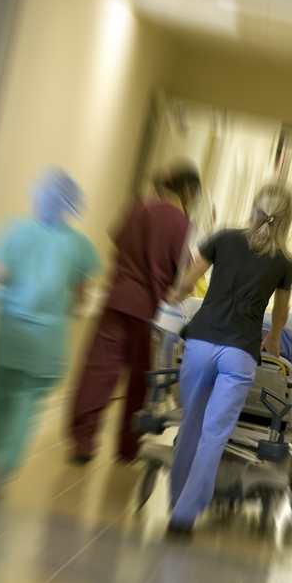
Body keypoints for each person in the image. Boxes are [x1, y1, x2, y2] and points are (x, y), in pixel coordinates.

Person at [164, 182, 292, 536]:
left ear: (254, 207)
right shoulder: (284, 262)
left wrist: (173, 295)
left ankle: (176, 498)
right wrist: (272, 338)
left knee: (191, 424)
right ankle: (184, 518)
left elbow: (187, 283)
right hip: (240, 353)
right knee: (214, 434)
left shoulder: (222, 237)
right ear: (287, 219)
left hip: (201, 343)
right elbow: (280, 313)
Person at [0, 167, 101, 503]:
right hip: (47, 339)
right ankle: (5, 467)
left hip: (10, 332)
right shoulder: (80, 245)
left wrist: (18, 280)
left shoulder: (15, 230)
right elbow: (81, 297)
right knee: (24, 405)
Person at [68, 161, 201, 464]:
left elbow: (118, 245)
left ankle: (83, 441)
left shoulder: (136, 208)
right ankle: (127, 449)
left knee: (99, 371)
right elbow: (185, 274)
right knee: (140, 381)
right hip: (152, 313)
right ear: (189, 190)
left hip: (116, 302)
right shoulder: (182, 223)